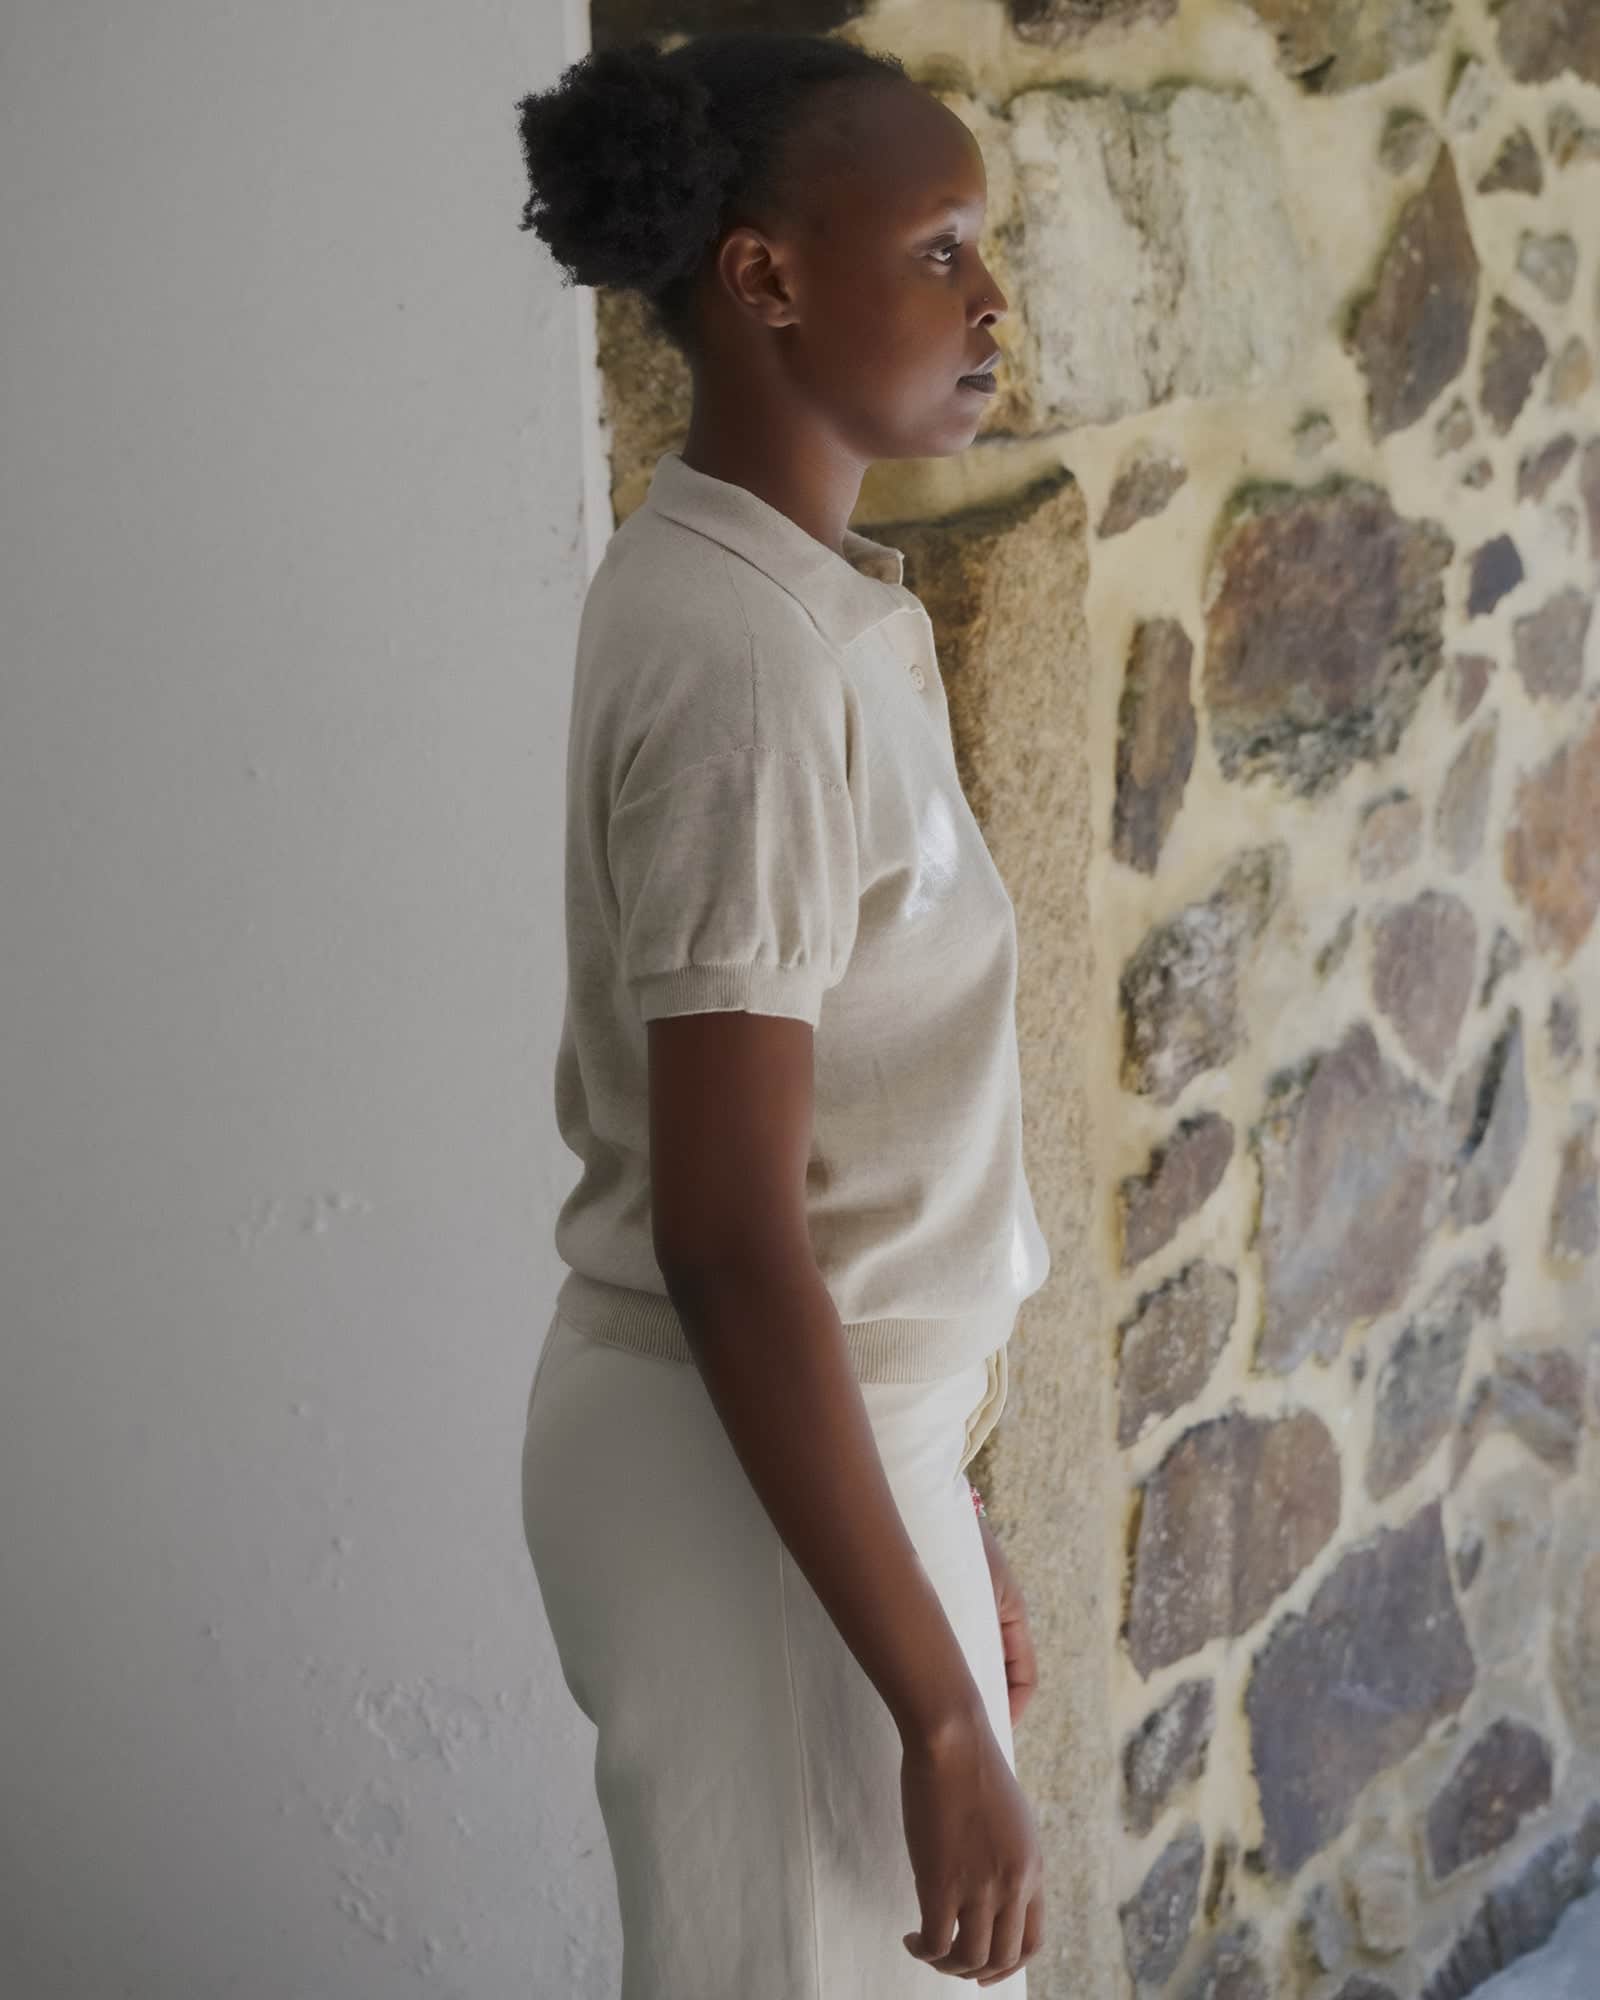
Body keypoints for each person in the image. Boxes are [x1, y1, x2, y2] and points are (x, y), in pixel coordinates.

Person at [514, 28, 1053, 1996]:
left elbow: (851, 1168)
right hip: (739, 1492)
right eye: (936, 248)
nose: (989, 302)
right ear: (764, 279)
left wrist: (946, 1501)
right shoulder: (743, 660)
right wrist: (932, 1713)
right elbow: (733, 1237)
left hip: (826, 1460)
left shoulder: (791, 601)